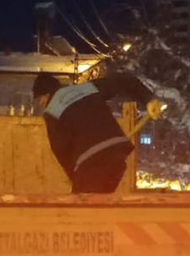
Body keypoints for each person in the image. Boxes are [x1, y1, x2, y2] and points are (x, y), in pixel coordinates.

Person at [32, 71, 160, 193]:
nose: (42, 105)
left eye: (40, 100)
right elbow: (124, 80)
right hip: (116, 154)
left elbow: (60, 148)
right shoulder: (87, 88)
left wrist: (74, 177)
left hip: (90, 163)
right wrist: (148, 99)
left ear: (46, 95)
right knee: (99, 203)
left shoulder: (52, 111)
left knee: (84, 208)